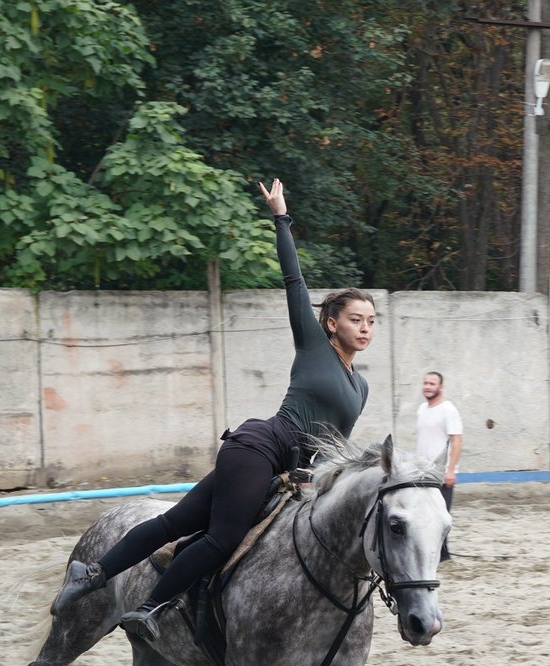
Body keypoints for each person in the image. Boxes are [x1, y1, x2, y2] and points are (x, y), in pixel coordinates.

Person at [53, 180, 377, 638]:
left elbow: (329, 447)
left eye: (371, 321)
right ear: (330, 323)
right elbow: (293, 281)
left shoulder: (360, 387)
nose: (364, 328)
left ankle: (91, 573)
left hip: (284, 471)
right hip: (260, 446)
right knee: (222, 537)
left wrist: (311, 480)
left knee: (176, 522)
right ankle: (149, 608)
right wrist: (281, 218)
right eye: (355, 319)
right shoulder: (313, 346)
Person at [414, 371, 462, 561]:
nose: (427, 387)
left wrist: (450, 470)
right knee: (423, 515)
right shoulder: (422, 409)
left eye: (432, 384)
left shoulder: (448, 409)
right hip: (422, 471)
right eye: (425, 383)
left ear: (440, 387)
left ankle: (443, 555)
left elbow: (457, 441)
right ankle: (433, 553)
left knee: (440, 517)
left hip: (441, 473)